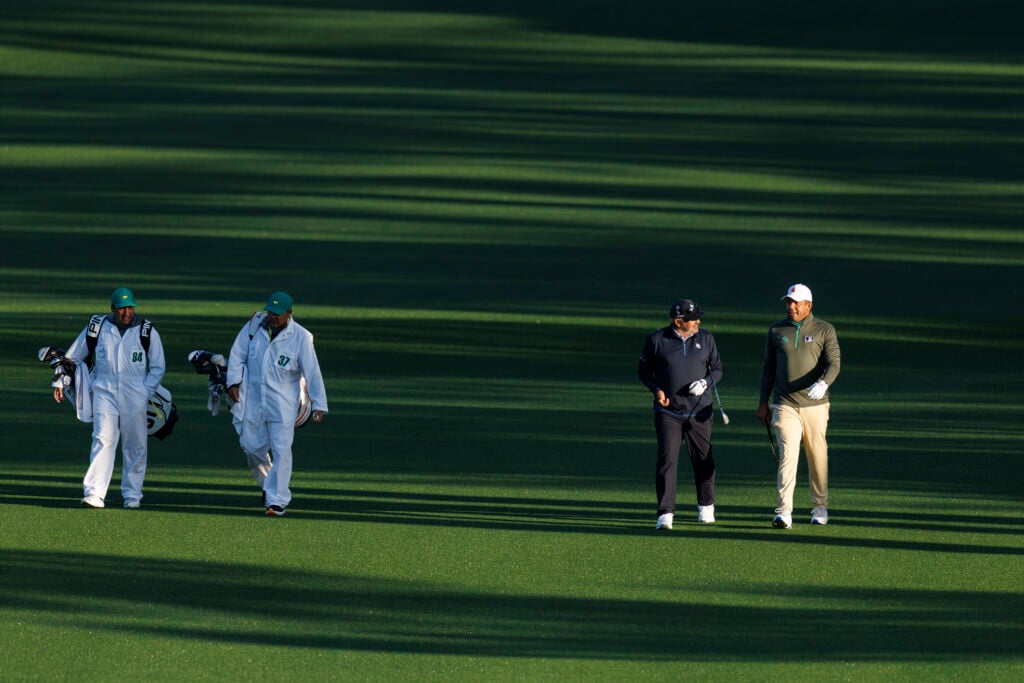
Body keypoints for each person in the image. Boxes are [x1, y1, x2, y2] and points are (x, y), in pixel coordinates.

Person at [53, 287, 166, 509]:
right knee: (102, 439)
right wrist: (59, 380)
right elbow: (73, 356)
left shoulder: (146, 330)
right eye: (122, 308)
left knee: (135, 445)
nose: (126, 312)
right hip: (103, 390)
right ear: (112, 308)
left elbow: (158, 366)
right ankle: (94, 494)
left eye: (130, 307)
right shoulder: (97, 327)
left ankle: (132, 496)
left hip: (135, 394)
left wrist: (145, 391)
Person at [226, 291, 328, 516]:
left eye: (277, 314)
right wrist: (232, 383)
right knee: (250, 445)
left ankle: (277, 501)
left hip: (282, 402)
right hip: (253, 398)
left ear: (289, 314)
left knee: (282, 449)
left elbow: (312, 372)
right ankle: (268, 484)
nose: (272, 317)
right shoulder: (254, 325)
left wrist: (319, 404)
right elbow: (237, 354)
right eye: (270, 312)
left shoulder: (301, 337)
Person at [756, 283, 841, 529]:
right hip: (785, 403)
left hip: (815, 404)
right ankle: (784, 511)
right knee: (788, 455)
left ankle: (820, 507)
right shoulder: (776, 330)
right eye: (788, 302)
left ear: (808, 305)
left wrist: (824, 383)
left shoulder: (825, 329)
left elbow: (834, 363)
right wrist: (763, 402)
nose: (790, 307)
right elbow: (768, 369)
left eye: (795, 303)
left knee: (817, 455)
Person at [637, 299, 723, 530]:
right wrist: (657, 390)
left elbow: (717, 369)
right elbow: (643, 371)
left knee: (703, 459)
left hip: (699, 411)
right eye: (693, 318)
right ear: (678, 321)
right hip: (668, 411)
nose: (698, 321)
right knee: (668, 460)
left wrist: (705, 383)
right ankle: (666, 513)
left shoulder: (706, 338)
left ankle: (706, 507)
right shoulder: (656, 339)